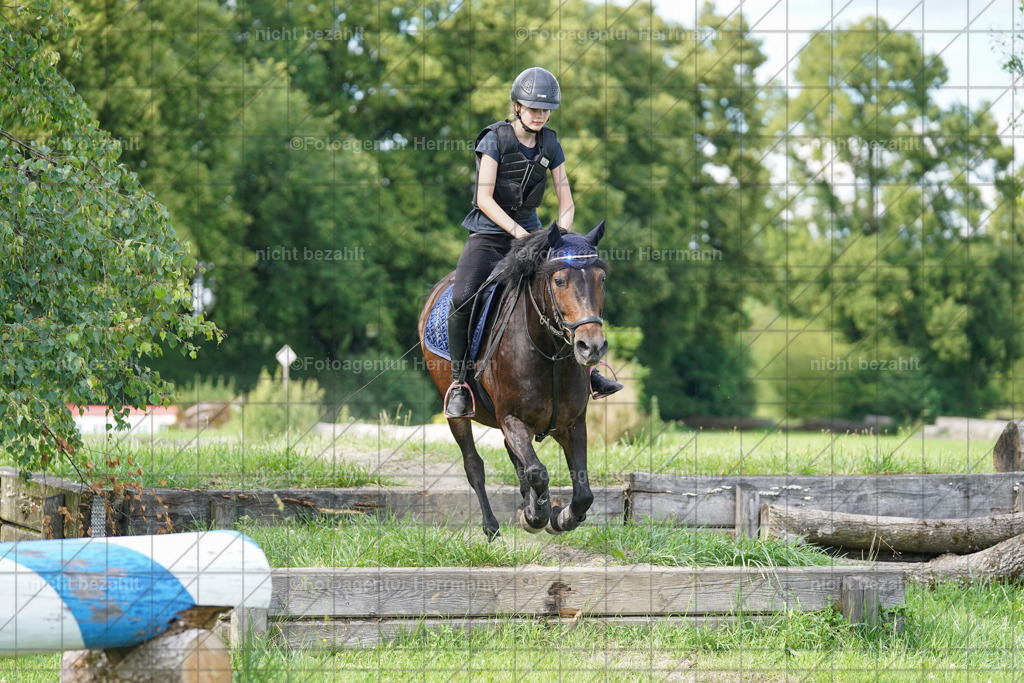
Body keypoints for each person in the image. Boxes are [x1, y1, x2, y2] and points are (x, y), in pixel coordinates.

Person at [444, 66, 622, 418]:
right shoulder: (494, 139)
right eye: (534, 108)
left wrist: (562, 237)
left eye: (546, 110)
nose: (540, 115)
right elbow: (483, 200)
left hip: (534, 235)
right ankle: (460, 383)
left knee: (575, 284)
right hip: (489, 234)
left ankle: (589, 373)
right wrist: (522, 234)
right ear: (517, 106)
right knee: (463, 298)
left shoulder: (551, 144)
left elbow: (566, 203)